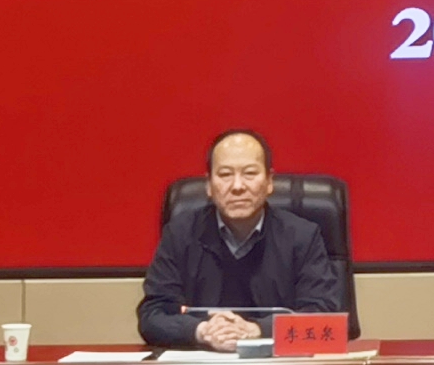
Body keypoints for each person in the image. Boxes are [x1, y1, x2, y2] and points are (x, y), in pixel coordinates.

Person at [136, 129, 351, 351]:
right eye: (225, 175)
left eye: (249, 173)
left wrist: (256, 330)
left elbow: (322, 316)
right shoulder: (180, 235)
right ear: (209, 185)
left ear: (269, 182)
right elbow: (152, 316)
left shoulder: (303, 237)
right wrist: (202, 331)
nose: (237, 186)